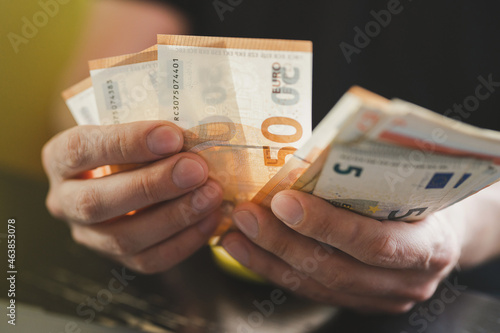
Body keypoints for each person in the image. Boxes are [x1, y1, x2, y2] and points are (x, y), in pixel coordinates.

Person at [42, 0, 500, 313]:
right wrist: (101, 164)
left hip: (460, 298)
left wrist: (458, 231)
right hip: (181, 281)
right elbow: (98, 85)